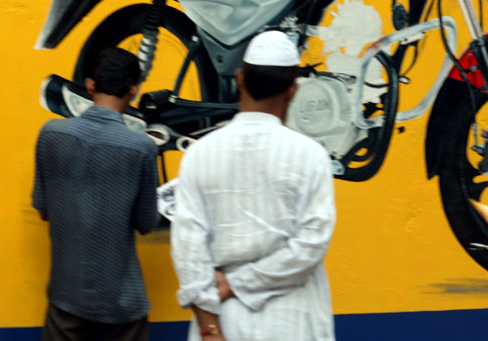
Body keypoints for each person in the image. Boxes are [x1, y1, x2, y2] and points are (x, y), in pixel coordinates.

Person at [171, 30, 336, 341]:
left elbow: (188, 248)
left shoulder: (200, 154)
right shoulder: (310, 156)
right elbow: (311, 245)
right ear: (292, 90)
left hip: (223, 319)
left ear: (240, 79)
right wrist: (239, 283)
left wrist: (210, 330)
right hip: (293, 322)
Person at [32, 47, 159, 341]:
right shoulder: (141, 148)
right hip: (122, 303)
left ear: (90, 84)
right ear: (134, 90)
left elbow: (44, 210)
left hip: (67, 296)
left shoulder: (51, 134)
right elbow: (145, 223)